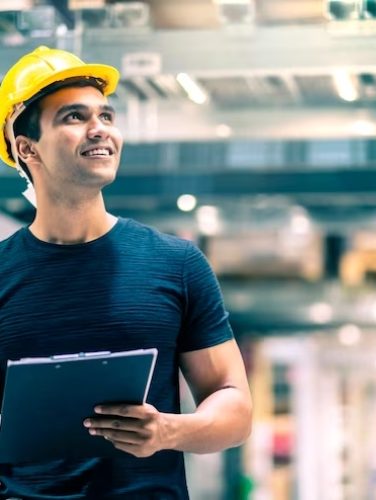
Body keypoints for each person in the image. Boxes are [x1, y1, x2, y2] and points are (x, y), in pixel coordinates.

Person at [0, 46, 252, 499]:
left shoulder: (176, 264)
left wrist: (169, 432)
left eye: (107, 116)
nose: (100, 130)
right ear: (26, 147)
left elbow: (234, 406)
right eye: (74, 117)